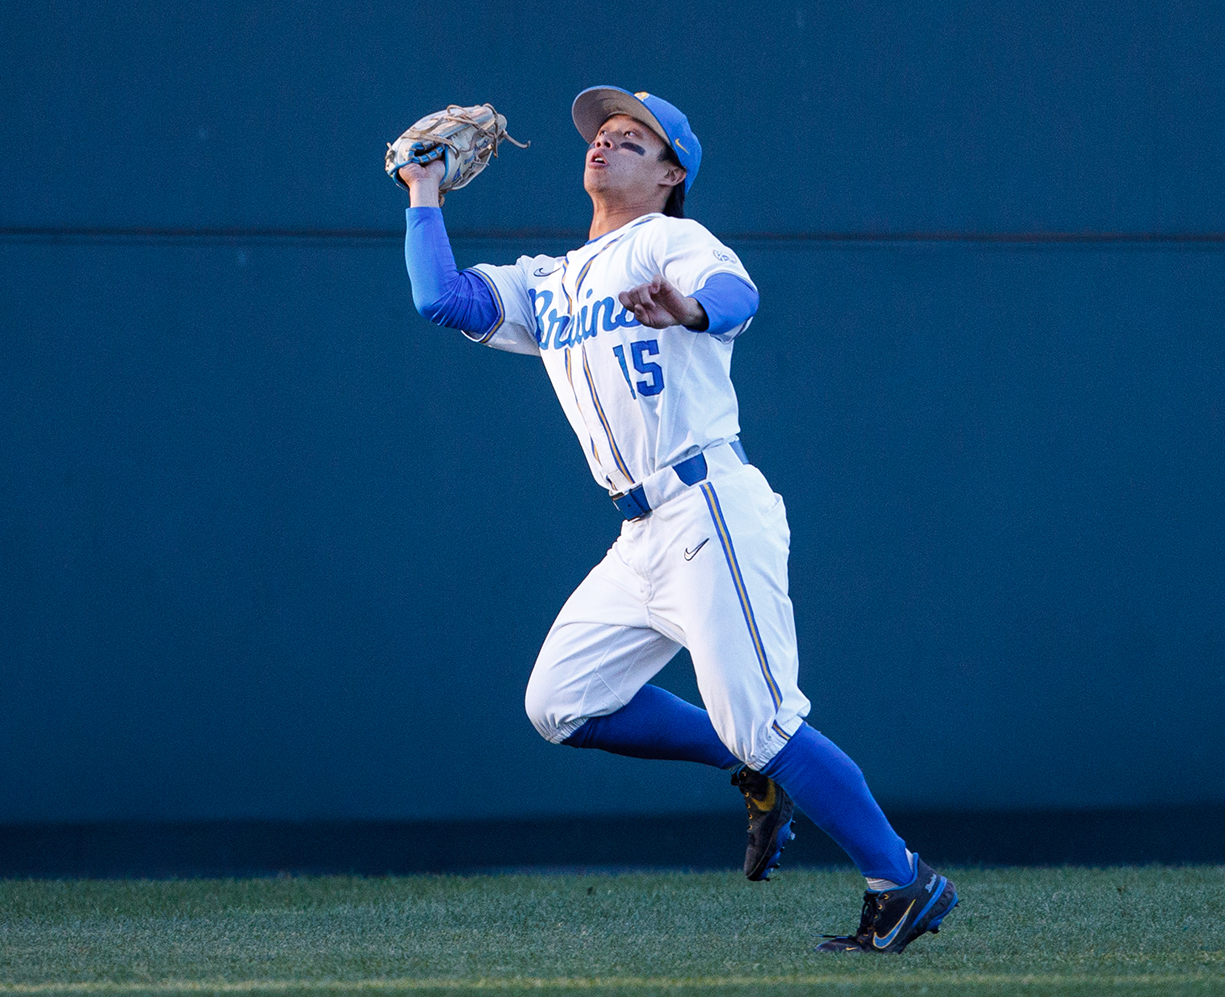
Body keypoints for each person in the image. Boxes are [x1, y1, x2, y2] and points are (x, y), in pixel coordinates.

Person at [396, 86, 958, 953]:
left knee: (766, 720)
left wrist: (689, 310)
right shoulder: (546, 282)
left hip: (707, 505)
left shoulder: (671, 240)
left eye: (631, 140)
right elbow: (443, 299)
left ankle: (902, 879)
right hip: (639, 537)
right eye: (602, 135)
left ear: (669, 176)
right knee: (560, 703)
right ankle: (747, 769)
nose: (606, 143)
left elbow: (737, 292)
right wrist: (424, 196)